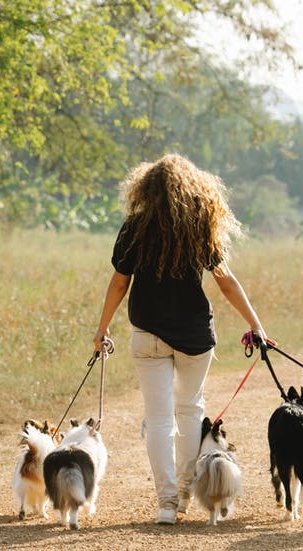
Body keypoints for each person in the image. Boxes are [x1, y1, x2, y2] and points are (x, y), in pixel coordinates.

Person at [92, 153, 268, 525]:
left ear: (146, 188)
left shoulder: (135, 227)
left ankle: (167, 504)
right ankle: (187, 493)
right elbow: (225, 281)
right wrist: (256, 324)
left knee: (158, 420)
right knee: (190, 411)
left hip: (148, 335)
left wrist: (102, 328)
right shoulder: (199, 225)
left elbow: (120, 282)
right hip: (194, 337)